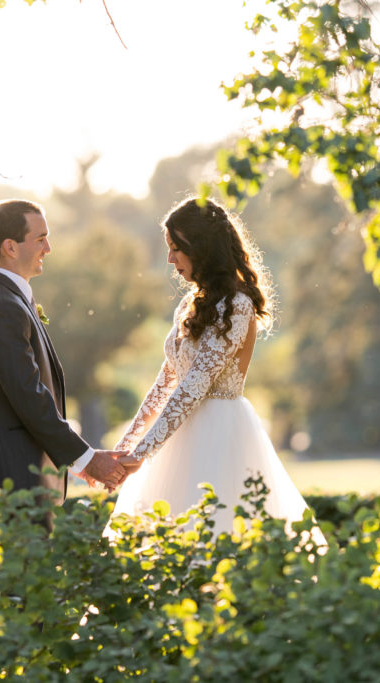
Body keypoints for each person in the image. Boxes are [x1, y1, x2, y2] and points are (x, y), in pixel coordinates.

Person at [108, 197, 324, 539]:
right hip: (178, 436)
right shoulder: (188, 303)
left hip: (220, 436)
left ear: (203, 247)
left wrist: (143, 452)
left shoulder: (238, 306)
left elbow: (195, 385)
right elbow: (166, 381)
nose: (170, 259)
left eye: (177, 248)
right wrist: (125, 447)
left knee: (215, 532)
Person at [0, 199, 136, 508]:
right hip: (9, 481)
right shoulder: (3, 307)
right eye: (40, 239)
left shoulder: (6, 300)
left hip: (20, 477)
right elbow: (29, 396)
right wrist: (86, 459)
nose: (48, 248)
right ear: (10, 248)